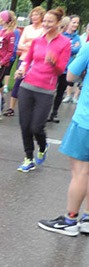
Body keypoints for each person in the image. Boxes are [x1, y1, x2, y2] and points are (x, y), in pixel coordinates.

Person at [38, 41, 89, 235]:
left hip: (86, 120)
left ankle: (70, 220)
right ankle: (87, 218)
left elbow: (70, 76)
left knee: (80, 171)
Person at [15, 7, 71, 172]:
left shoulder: (64, 43)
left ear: (58, 23)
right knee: (25, 125)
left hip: (46, 90)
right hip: (27, 85)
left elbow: (61, 70)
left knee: (36, 127)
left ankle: (42, 145)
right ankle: (28, 158)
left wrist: (53, 61)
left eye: (50, 21)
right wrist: (21, 70)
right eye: (44, 21)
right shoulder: (37, 41)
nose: (46, 24)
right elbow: (27, 60)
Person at [5, 6, 45, 116]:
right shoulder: (27, 28)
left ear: (41, 16)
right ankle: (11, 108)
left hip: (36, 60)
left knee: (33, 83)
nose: (34, 17)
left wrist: (29, 44)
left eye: (37, 15)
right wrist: (31, 44)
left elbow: (41, 46)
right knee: (18, 82)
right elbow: (20, 45)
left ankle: (31, 109)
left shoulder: (44, 29)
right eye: (33, 15)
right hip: (24, 59)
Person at [49, 14, 82, 121]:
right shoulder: (61, 34)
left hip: (66, 69)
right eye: (74, 22)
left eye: (77, 23)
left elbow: (77, 50)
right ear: (68, 23)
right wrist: (70, 47)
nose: (75, 25)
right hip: (56, 67)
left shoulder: (77, 37)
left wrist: (69, 48)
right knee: (50, 91)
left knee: (60, 92)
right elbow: (59, 48)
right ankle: (45, 112)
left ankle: (54, 113)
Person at [0, 10, 17, 122]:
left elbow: (10, 52)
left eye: (0, 18)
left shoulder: (11, 34)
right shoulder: (0, 31)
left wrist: (1, 63)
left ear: (5, 20)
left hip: (2, 64)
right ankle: (0, 103)